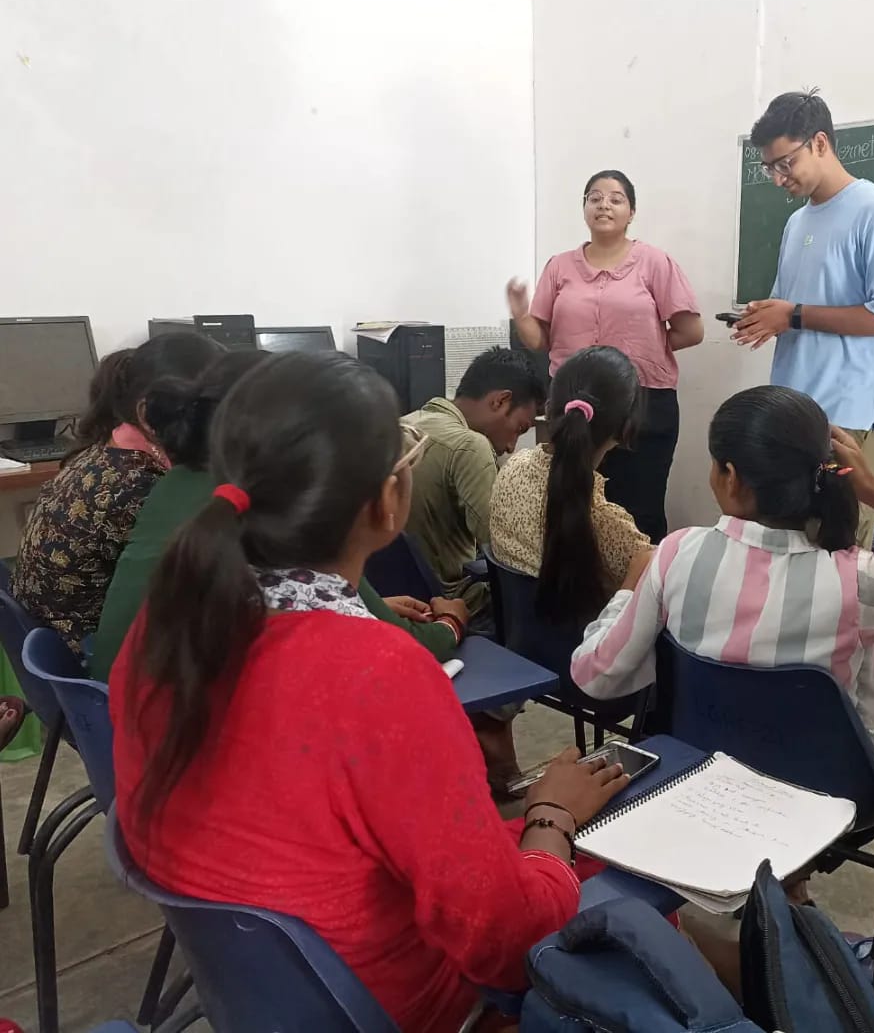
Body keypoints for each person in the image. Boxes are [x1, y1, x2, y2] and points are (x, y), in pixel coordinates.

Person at [110, 352, 629, 1033]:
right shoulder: (378, 673)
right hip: (394, 1006)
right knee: (634, 895)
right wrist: (551, 815)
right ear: (388, 501)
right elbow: (505, 947)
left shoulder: (167, 621)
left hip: (258, 994)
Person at [570, 385, 874, 735]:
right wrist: (871, 488)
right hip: (830, 789)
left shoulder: (676, 554)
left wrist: (627, 592)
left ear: (731, 478)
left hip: (704, 769)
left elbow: (595, 675)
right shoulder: (857, 579)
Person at [91, 351, 468, 680]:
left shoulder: (186, 493)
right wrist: (451, 620)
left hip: (119, 709)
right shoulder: (296, 521)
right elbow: (400, 645)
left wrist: (365, 608)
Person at [734, 90, 874, 549]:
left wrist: (793, 316)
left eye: (785, 163)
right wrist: (765, 315)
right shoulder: (797, 222)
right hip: (793, 411)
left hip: (847, 416)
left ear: (819, 143)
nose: (779, 178)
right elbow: (790, 304)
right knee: (790, 543)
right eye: (770, 168)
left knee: (839, 546)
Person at [507, 169, 703, 542]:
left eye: (616, 199)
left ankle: (642, 576)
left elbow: (691, 330)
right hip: (574, 401)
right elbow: (539, 340)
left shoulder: (655, 262)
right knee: (575, 503)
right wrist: (519, 312)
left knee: (639, 510)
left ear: (632, 212)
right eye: (594, 198)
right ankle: (579, 575)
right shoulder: (559, 266)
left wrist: (644, 347)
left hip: (643, 401)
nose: (604, 205)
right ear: (584, 208)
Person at [12, 334, 223, 652]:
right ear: (148, 412)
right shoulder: (141, 484)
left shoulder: (105, 448)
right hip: (85, 652)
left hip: (48, 637)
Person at [490, 346, 651, 627]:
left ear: (550, 410)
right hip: (586, 649)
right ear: (626, 428)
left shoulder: (512, 469)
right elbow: (660, 586)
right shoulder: (606, 522)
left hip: (520, 643)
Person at [404, 346, 546, 620]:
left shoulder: (407, 422)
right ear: (500, 401)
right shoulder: (471, 446)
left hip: (401, 600)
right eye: (519, 429)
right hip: (450, 605)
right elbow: (506, 551)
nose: (511, 447)